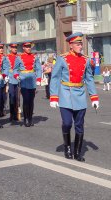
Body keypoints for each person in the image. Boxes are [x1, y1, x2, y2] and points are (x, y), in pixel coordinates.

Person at [50, 32, 99, 162]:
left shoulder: (86, 59)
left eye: (81, 43)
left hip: (80, 94)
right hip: (65, 93)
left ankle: (77, 152)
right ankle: (67, 148)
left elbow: (89, 78)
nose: (80, 46)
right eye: (77, 44)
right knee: (66, 123)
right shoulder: (62, 58)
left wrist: (94, 97)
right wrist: (54, 97)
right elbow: (54, 78)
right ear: (71, 45)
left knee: (79, 125)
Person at [14, 41, 42, 127]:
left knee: (31, 100)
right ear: (23, 48)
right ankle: (26, 118)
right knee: (26, 100)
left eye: (29, 46)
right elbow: (15, 69)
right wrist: (16, 75)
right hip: (24, 80)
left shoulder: (35, 57)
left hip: (32, 80)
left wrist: (38, 78)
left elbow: (38, 68)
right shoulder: (19, 57)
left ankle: (30, 118)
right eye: (26, 47)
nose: (28, 48)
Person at [7, 42, 19, 122]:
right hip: (11, 78)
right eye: (13, 47)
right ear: (10, 48)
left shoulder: (19, 57)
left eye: (16, 48)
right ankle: (12, 114)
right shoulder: (7, 57)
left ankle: (16, 114)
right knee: (12, 97)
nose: (15, 49)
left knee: (17, 98)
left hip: (18, 78)